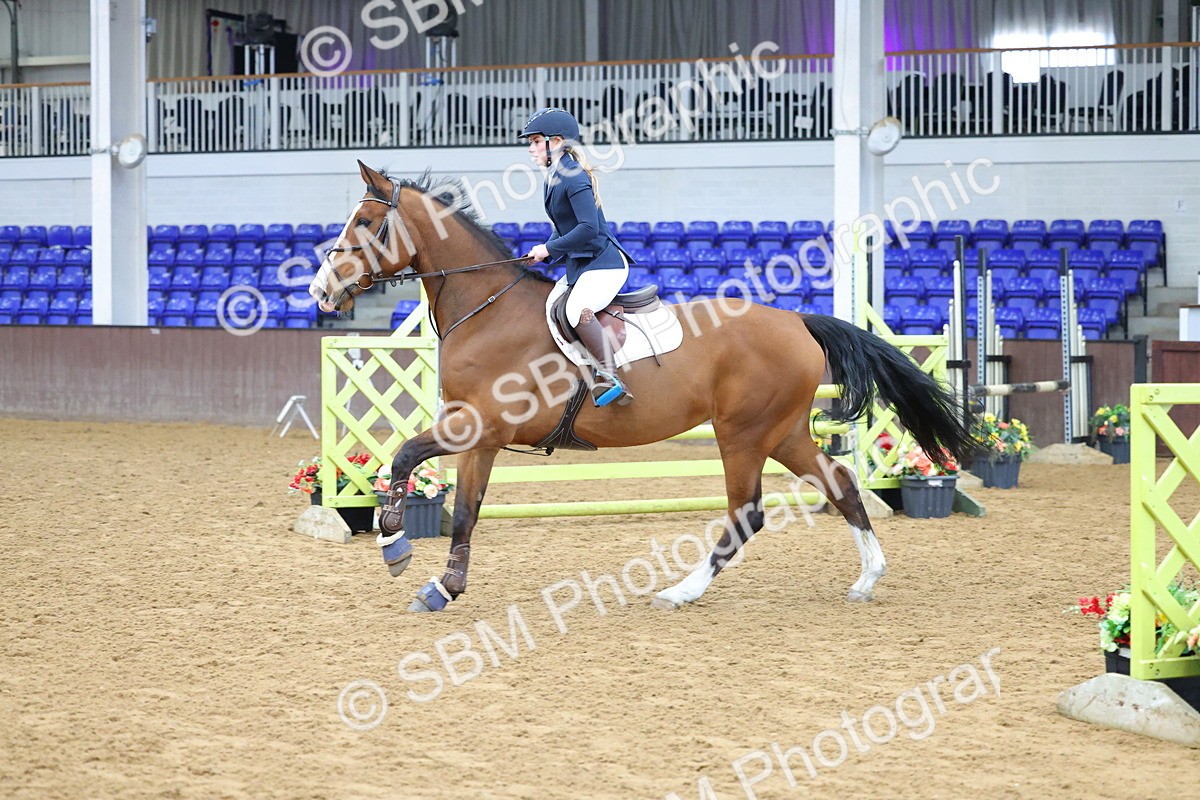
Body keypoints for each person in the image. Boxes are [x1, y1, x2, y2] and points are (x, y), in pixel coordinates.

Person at [518, 107, 635, 407]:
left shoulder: (572, 177)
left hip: (604, 265)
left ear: (555, 141)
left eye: (535, 141)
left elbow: (588, 227)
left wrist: (550, 249)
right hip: (583, 264)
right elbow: (565, 228)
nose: (530, 148)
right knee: (550, 306)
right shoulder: (555, 175)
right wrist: (543, 250)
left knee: (575, 310)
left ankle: (611, 377)